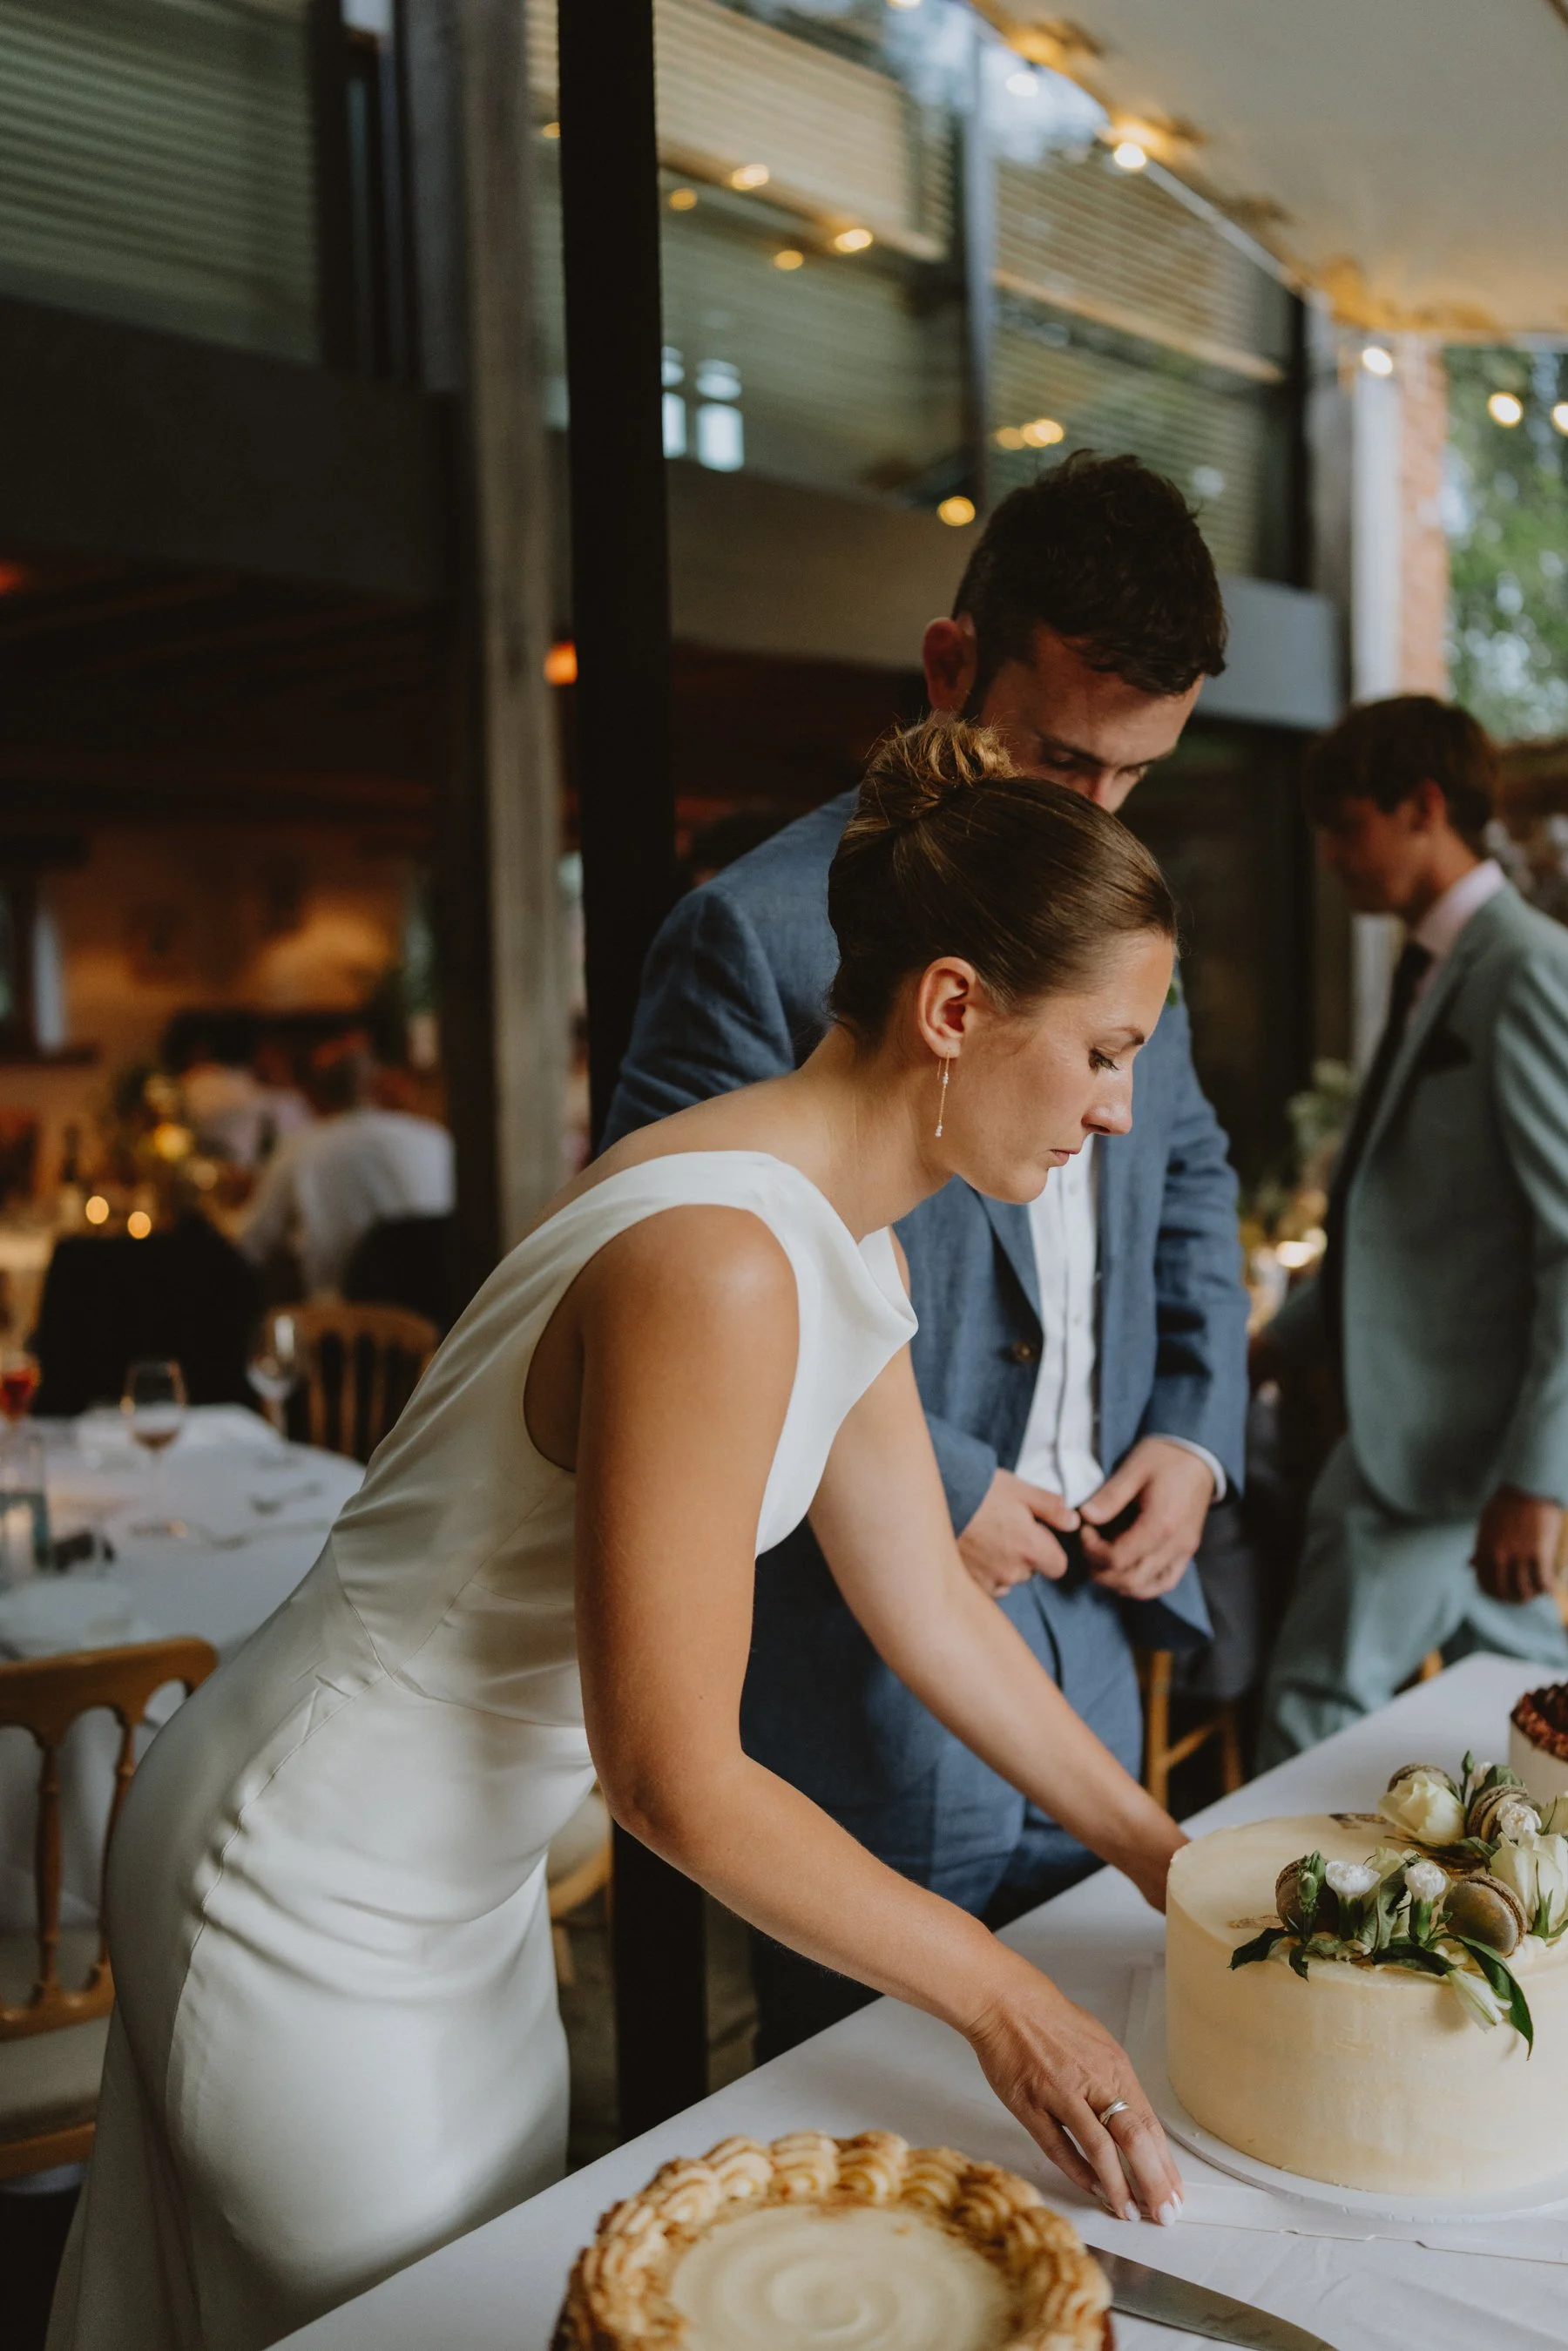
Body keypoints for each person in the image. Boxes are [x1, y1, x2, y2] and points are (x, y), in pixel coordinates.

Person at [52, 724, 1187, 2351]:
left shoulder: (840, 1230)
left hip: (471, 1870)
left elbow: (929, 1608)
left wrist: (1167, 1855)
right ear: (955, 1008)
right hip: (310, 1867)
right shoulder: (721, 1259)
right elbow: (669, 1774)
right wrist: (1006, 1995)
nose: (1121, 1107)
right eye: (1102, 1049)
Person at [605, 452, 1249, 2051]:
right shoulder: (750, 957)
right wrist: (950, 1484)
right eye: (1058, 757)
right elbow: (707, 1345)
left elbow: (1188, 1169)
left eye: (1131, 778)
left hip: (1081, 1634)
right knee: (869, 2093)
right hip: (865, 1663)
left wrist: (1192, 1429)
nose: (1087, 815)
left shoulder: (1114, 925)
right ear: (951, 670)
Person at [1258, 696, 1568, 1762]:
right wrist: (1291, 1333)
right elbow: (1417, 1218)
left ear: (1425, 807)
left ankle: (1263, 1923)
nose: (1334, 857)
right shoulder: (1431, 961)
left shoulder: (1523, 967)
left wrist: (1540, 1478)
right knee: (1528, 1717)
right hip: (1445, 1435)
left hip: (1438, 1443)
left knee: (1310, 1705)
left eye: (1349, 825)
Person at [240, 1037, 454, 1296]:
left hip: (345, 1324)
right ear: (379, 1085)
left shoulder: (299, 1151)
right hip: (446, 1310)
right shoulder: (436, 1139)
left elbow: (251, 1245)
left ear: (313, 1094)